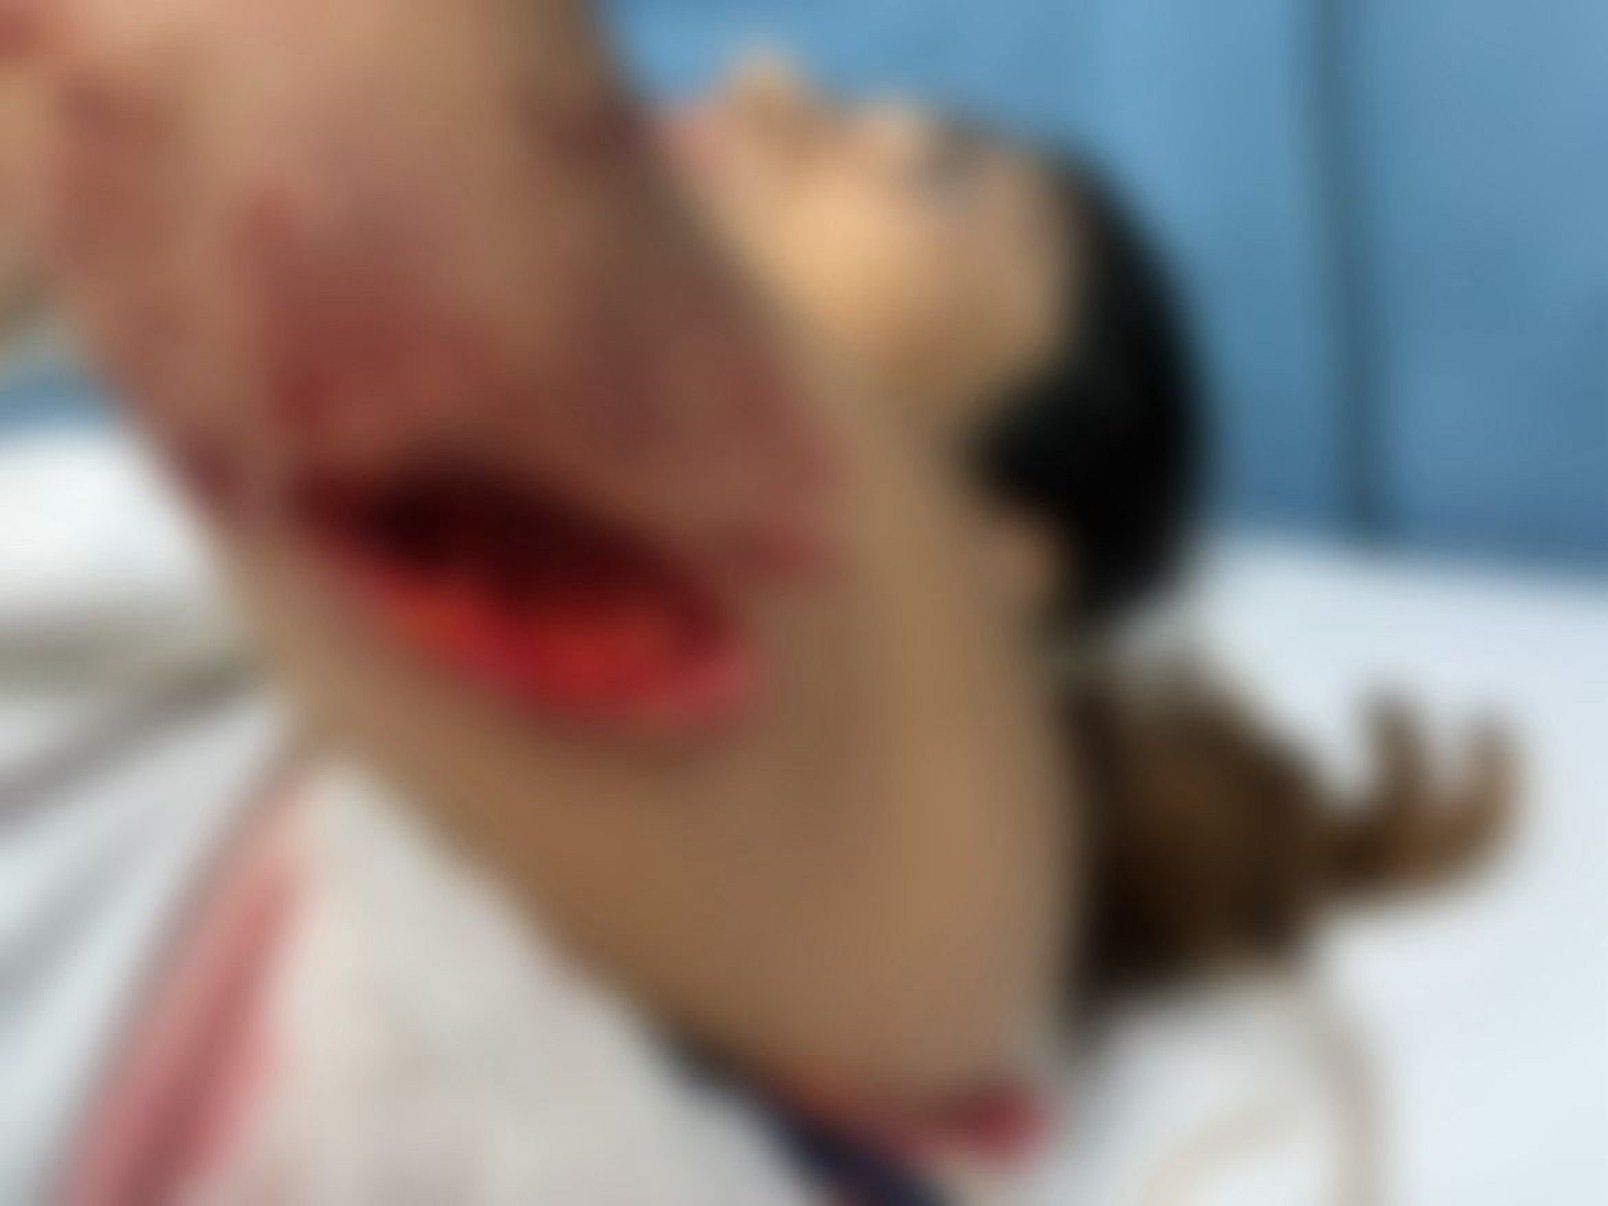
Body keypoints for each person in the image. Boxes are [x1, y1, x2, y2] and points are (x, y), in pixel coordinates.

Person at [0, 11, 1505, 1201]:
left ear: (995, 555)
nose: (771, 84)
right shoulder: (199, 541)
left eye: (941, 179)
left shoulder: (886, 934)